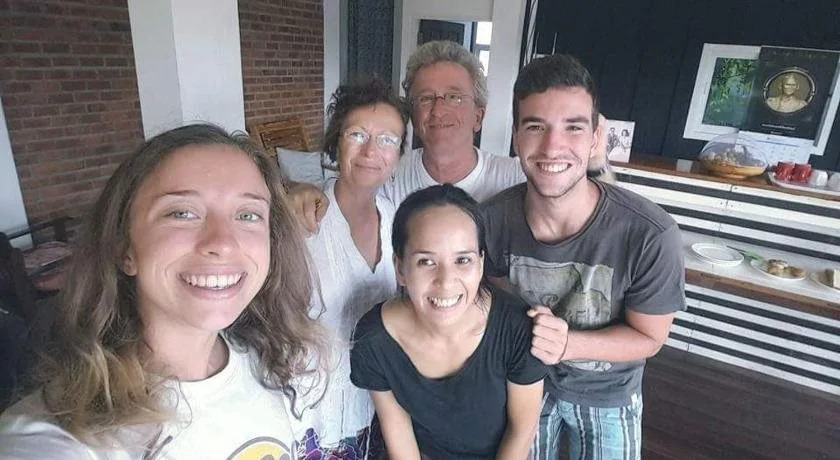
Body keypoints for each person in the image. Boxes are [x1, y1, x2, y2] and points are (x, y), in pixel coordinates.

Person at [0, 124, 328, 458]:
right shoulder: (61, 440)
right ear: (125, 247)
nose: (223, 243)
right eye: (182, 213)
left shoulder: (279, 364)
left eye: (248, 215)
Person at [480, 54, 685, 459]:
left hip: (609, 391)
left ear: (594, 139)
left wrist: (567, 344)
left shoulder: (650, 233)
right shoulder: (491, 220)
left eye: (573, 127)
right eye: (535, 127)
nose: (552, 147)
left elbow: (649, 338)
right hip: (522, 384)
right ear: (516, 138)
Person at [288, 41, 613, 234]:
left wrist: (596, 159)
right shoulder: (390, 173)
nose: (439, 110)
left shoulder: (515, 176)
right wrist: (296, 189)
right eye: (426, 98)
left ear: (478, 116)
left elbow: (597, 209)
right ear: (413, 114)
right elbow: (341, 194)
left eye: (455, 97)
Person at [350, 184, 546, 459]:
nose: (445, 282)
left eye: (462, 260)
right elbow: (399, 435)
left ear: (480, 264)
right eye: (426, 262)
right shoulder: (374, 339)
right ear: (400, 268)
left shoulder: (516, 328)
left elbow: (521, 431)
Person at [296, 77, 409, 457]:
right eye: (357, 134)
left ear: (399, 155)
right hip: (311, 413)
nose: (371, 150)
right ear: (336, 143)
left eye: (388, 139)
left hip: (373, 407)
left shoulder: (396, 221)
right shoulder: (303, 220)